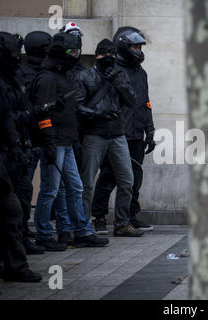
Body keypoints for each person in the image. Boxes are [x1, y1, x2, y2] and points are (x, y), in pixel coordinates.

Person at [32, 32, 109, 250]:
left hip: (66, 141)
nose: (76, 56)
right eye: (73, 51)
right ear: (61, 51)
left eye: (78, 51)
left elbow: (70, 110)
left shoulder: (63, 76)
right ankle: (44, 235)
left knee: (75, 187)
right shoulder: (47, 78)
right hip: (53, 143)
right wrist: (48, 142)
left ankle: (82, 232)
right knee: (50, 190)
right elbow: (42, 114)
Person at [77, 39, 143, 237]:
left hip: (117, 134)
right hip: (94, 134)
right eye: (105, 54)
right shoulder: (85, 75)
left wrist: (119, 81)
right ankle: (84, 225)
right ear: (96, 55)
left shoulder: (120, 75)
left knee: (127, 180)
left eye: (113, 54)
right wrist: (97, 114)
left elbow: (132, 100)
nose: (109, 57)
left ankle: (122, 223)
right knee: (87, 182)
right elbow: (77, 106)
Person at [92, 27, 155, 234]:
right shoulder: (113, 71)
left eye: (139, 47)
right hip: (117, 133)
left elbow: (145, 103)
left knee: (134, 178)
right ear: (124, 47)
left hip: (137, 133)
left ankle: (129, 215)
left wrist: (150, 130)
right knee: (109, 176)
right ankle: (98, 216)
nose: (138, 50)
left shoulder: (141, 73)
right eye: (134, 46)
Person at [0, 31, 42, 282]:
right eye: (13, 54)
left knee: (13, 210)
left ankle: (14, 266)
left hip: (8, 155)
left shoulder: (10, 80)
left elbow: (10, 118)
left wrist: (16, 145)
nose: (17, 59)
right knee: (11, 209)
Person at [15, 31, 52, 251]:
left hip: (42, 137)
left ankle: (26, 230)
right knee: (23, 189)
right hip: (28, 138)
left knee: (48, 187)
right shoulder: (23, 75)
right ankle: (21, 232)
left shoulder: (45, 72)